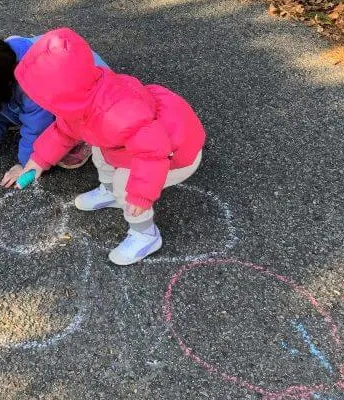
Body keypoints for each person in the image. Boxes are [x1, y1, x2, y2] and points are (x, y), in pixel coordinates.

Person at [14, 28, 206, 265]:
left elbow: (153, 152)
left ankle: (145, 234)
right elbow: (62, 131)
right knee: (99, 151)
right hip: (137, 144)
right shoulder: (80, 103)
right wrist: (39, 159)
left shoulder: (117, 113)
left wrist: (140, 194)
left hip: (175, 151)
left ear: (63, 94)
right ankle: (110, 192)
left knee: (126, 186)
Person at [0, 35, 108, 186]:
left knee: (61, 128)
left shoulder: (35, 84)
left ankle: (82, 137)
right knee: (10, 107)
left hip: (96, 95)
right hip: (38, 86)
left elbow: (37, 127)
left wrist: (25, 163)